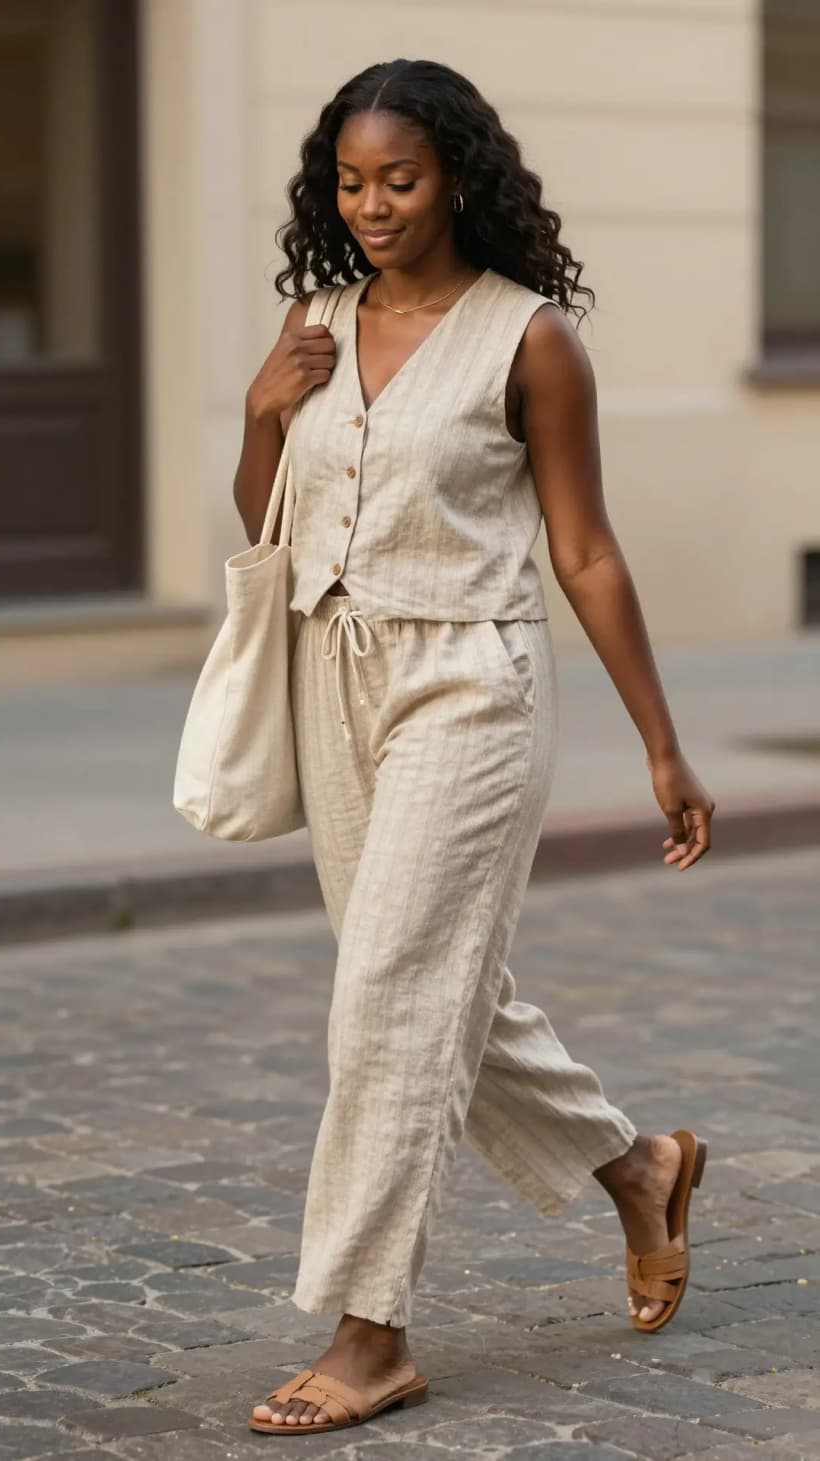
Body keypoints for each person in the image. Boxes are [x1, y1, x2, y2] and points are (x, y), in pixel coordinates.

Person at [236, 59, 715, 1438]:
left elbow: (588, 549)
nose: (374, 206)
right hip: (335, 675)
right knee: (438, 982)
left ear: (458, 177)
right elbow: (265, 517)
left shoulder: (529, 340)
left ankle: (369, 1328)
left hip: (472, 684)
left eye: (401, 179)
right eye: (350, 182)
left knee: (389, 993)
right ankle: (640, 1165)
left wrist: (662, 745)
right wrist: (268, 410)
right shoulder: (313, 322)